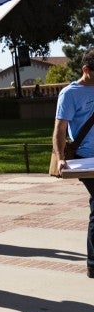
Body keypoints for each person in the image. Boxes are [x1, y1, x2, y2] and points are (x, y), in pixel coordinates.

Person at [53, 48, 94, 277]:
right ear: (85, 70)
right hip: (85, 159)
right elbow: (59, 129)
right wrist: (60, 158)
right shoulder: (70, 94)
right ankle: (93, 263)